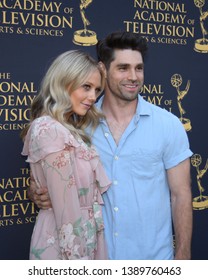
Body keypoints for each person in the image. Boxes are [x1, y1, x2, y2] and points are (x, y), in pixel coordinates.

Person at [28, 31, 193, 260]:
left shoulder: (169, 125)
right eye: (123, 68)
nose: (133, 76)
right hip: (96, 258)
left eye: (139, 68)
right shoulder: (76, 128)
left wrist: (184, 255)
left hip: (153, 261)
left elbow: (181, 194)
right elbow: (57, 180)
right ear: (103, 70)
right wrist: (39, 193)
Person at [21, 50, 111, 260]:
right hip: (66, 243)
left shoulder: (68, 128)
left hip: (86, 236)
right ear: (64, 82)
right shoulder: (49, 129)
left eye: (97, 89)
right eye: (86, 87)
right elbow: (66, 213)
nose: (93, 97)